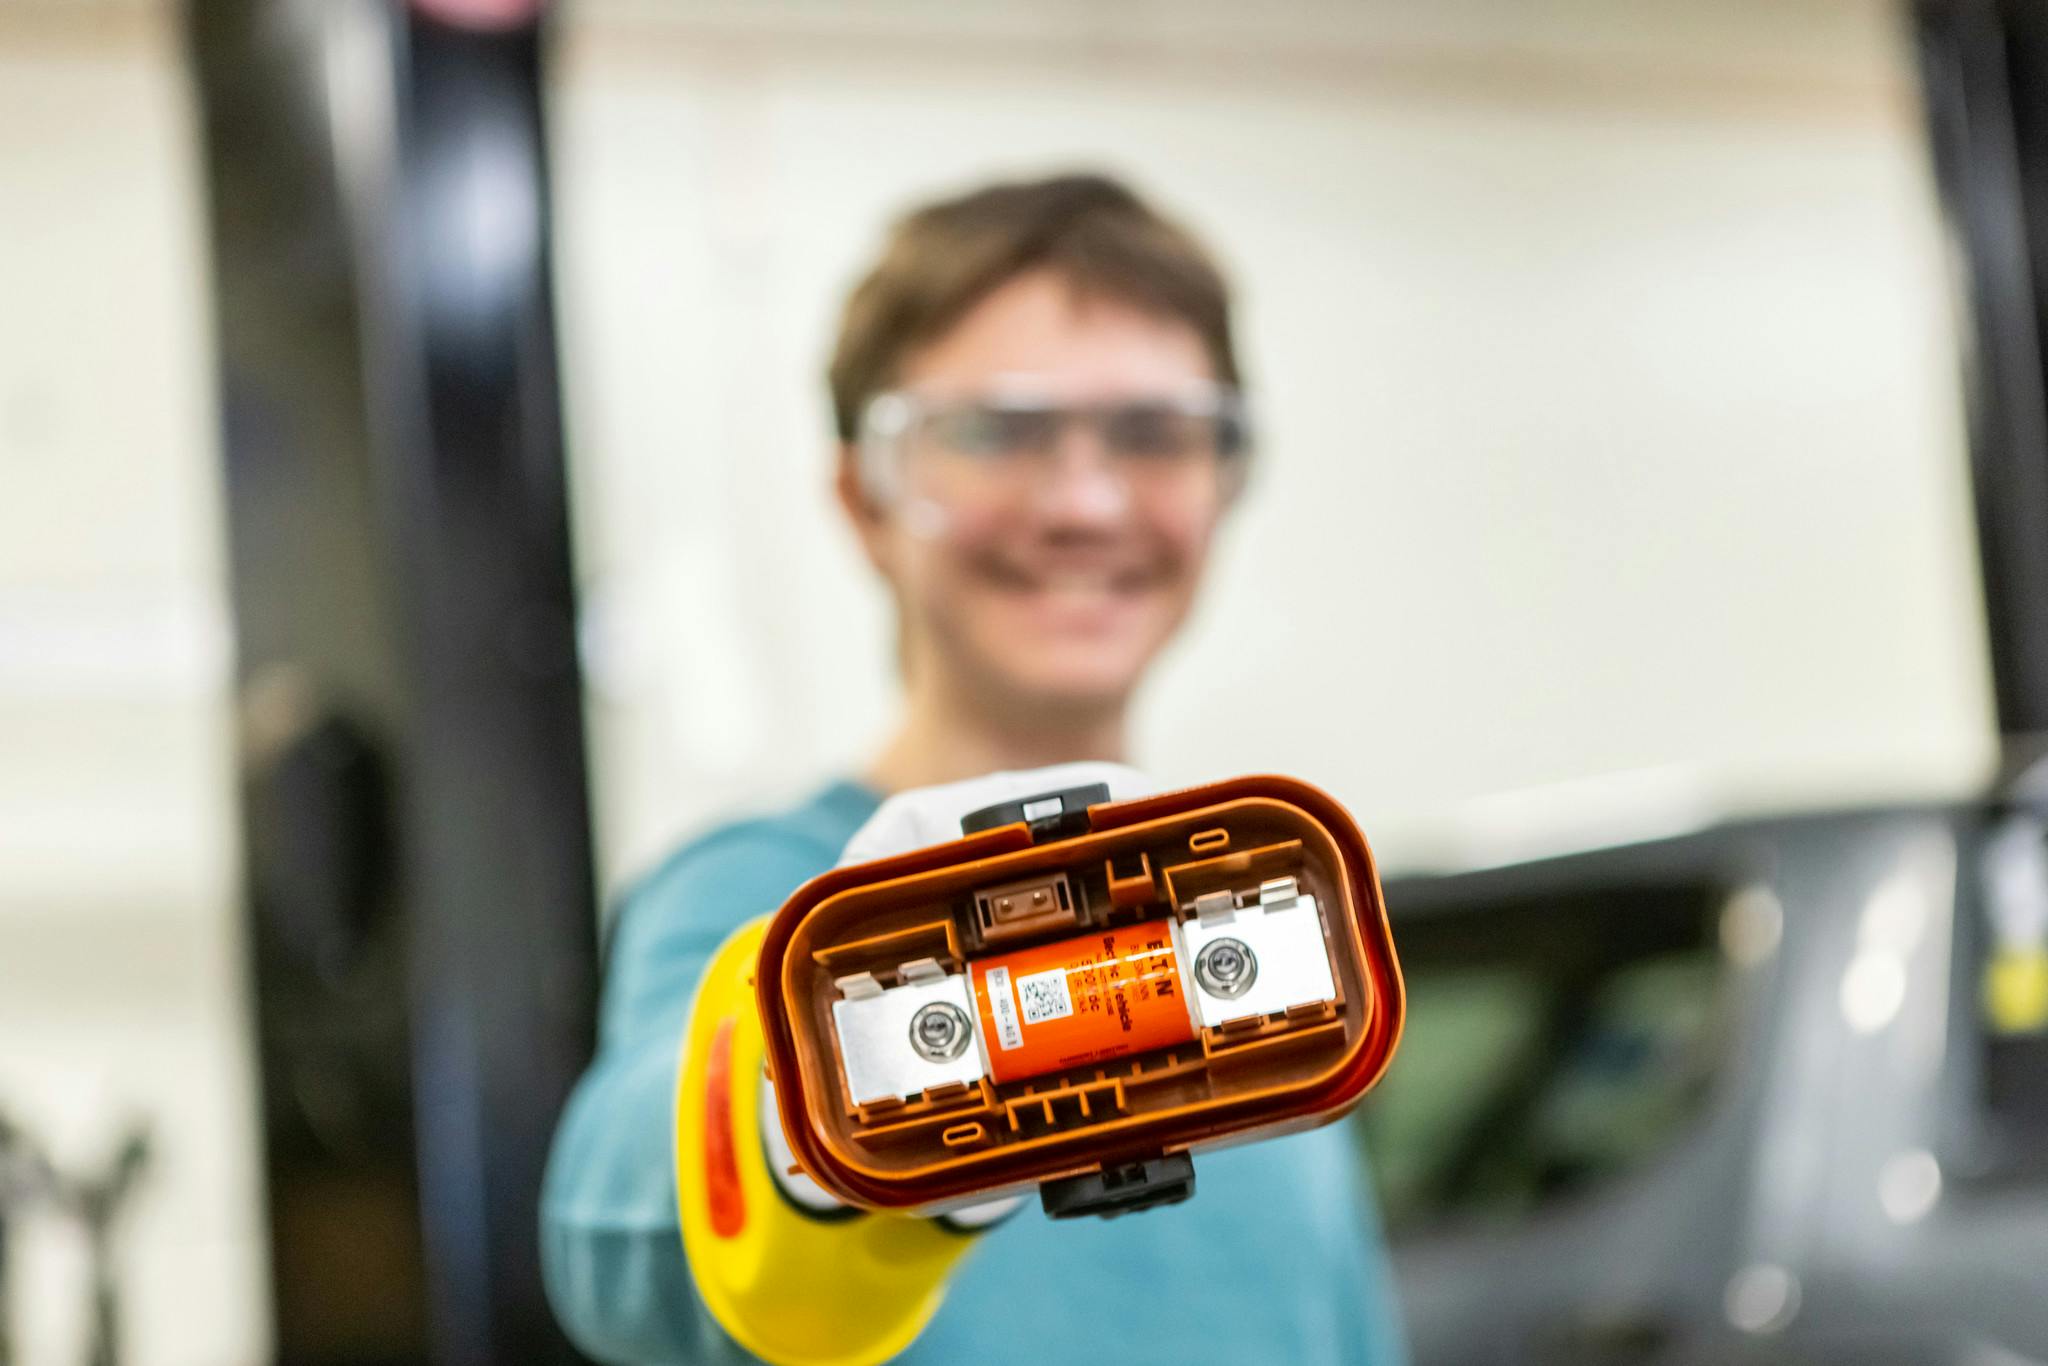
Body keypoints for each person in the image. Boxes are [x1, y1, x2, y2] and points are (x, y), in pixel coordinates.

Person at [540, 172, 1406, 1364]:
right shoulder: (752, 896)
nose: (1085, 502)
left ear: (1223, 483)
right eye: (997, 431)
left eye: (1154, 433)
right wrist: (820, 1097)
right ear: (863, 499)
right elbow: (625, 1241)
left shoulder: (1258, 935)